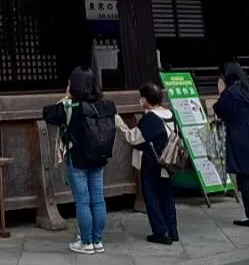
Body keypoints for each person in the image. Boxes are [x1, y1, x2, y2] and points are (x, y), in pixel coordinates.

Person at [43, 68, 117, 254]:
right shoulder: (106, 105)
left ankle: (86, 242)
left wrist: (65, 97)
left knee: (83, 201)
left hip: (77, 158)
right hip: (99, 157)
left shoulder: (70, 106)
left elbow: (48, 113)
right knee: (98, 200)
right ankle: (97, 240)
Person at [117, 83, 180, 245]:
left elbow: (133, 138)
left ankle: (161, 231)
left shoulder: (150, 118)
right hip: (169, 161)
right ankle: (172, 230)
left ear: (145, 99)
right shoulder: (170, 114)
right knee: (167, 195)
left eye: (141, 97)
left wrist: (120, 124)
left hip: (153, 161)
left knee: (151, 196)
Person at [215, 63, 249, 227]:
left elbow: (220, 110)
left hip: (239, 136)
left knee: (244, 177)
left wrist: (221, 92)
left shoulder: (230, 93)